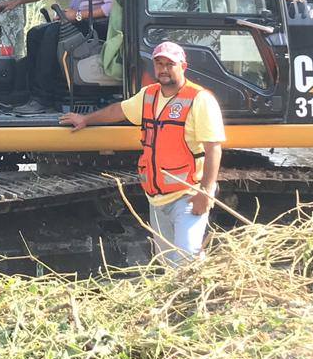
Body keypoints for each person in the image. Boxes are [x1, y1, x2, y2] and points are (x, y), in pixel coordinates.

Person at [60, 41, 224, 265]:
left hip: (187, 195)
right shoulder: (150, 95)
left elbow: (213, 147)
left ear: (183, 66)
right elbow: (118, 110)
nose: (163, 69)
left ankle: (200, 296)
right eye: (159, 64)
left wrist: (205, 192)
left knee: (185, 260)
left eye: (170, 64)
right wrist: (86, 119)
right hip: (156, 198)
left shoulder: (199, 99)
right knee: (168, 263)